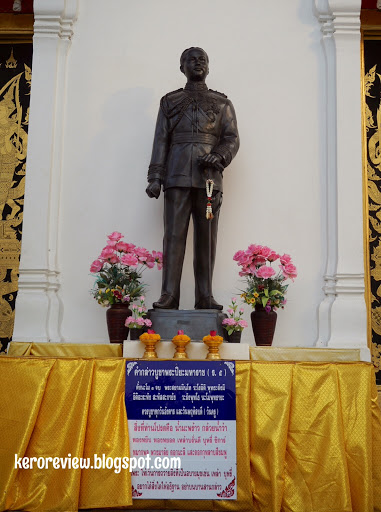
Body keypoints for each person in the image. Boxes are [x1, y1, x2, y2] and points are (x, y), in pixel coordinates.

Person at [146, 47, 239, 310]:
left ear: (208, 67)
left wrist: (218, 156)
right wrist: (155, 177)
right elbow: (160, 141)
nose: (197, 64)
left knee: (206, 238)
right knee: (173, 237)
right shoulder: (169, 102)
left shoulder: (222, 104)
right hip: (176, 177)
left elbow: (231, 138)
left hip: (208, 179)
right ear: (181, 67)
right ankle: (169, 295)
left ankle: (205, 296)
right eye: (191, 60)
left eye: (202, 60)